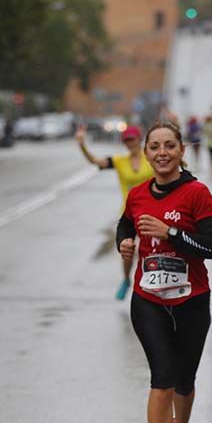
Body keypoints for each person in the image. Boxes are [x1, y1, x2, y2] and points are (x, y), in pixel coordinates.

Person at [115, 121, 212, 423]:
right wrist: (126, 244)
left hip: (192, 300)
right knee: (161, 379)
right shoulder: (137, 195)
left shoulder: (197, 193)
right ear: (145, 153)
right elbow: (124, 225)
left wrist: (171, 233)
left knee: (184, 381)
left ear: (181, 151)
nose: (162, 153)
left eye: (169, 146)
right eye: (155, 147)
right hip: (149, 300)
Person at [76, 123, 154, 300]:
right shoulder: (120, 161)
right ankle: (126, 280)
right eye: (126, 140)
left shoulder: (150, 157)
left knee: (150, 250)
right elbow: (95, 161)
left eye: (132, 139)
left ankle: (149, 285)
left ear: (139, 139)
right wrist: (82, 145)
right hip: (129, 213)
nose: (129, 143)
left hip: (152, 212)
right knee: (127, 250)